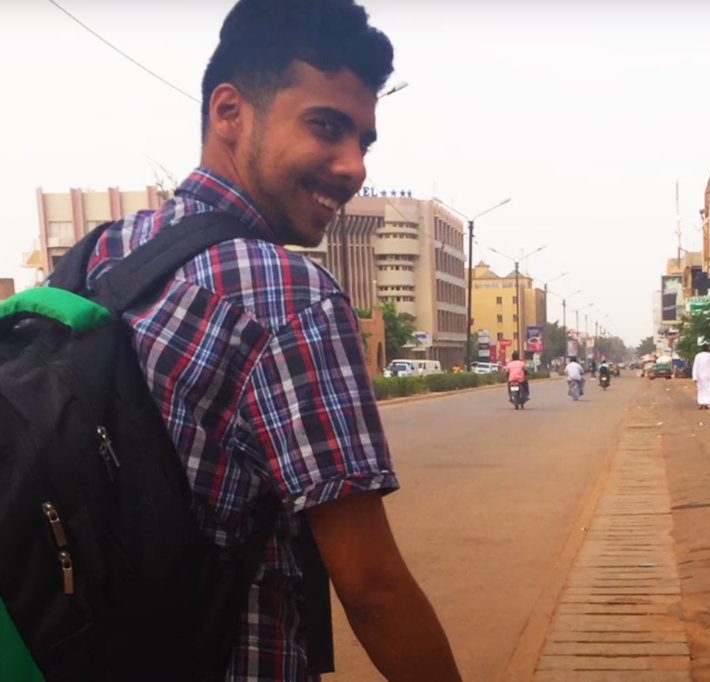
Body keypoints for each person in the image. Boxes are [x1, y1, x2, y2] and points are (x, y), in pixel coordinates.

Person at [75, 1, 462, 679]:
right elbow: (373, 588)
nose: (353, 166)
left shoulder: (102, 255)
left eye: (364, 141)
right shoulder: (289, 296)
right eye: (325, 127)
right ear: (229, 113)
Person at [692, 344, 710, 410]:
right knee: (708, 389)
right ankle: (707, 404)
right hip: (709, 376)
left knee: (701, 390)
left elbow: (695, 367)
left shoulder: (698, 356)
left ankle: (702, 404)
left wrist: (694, 377)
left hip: (700, 376)